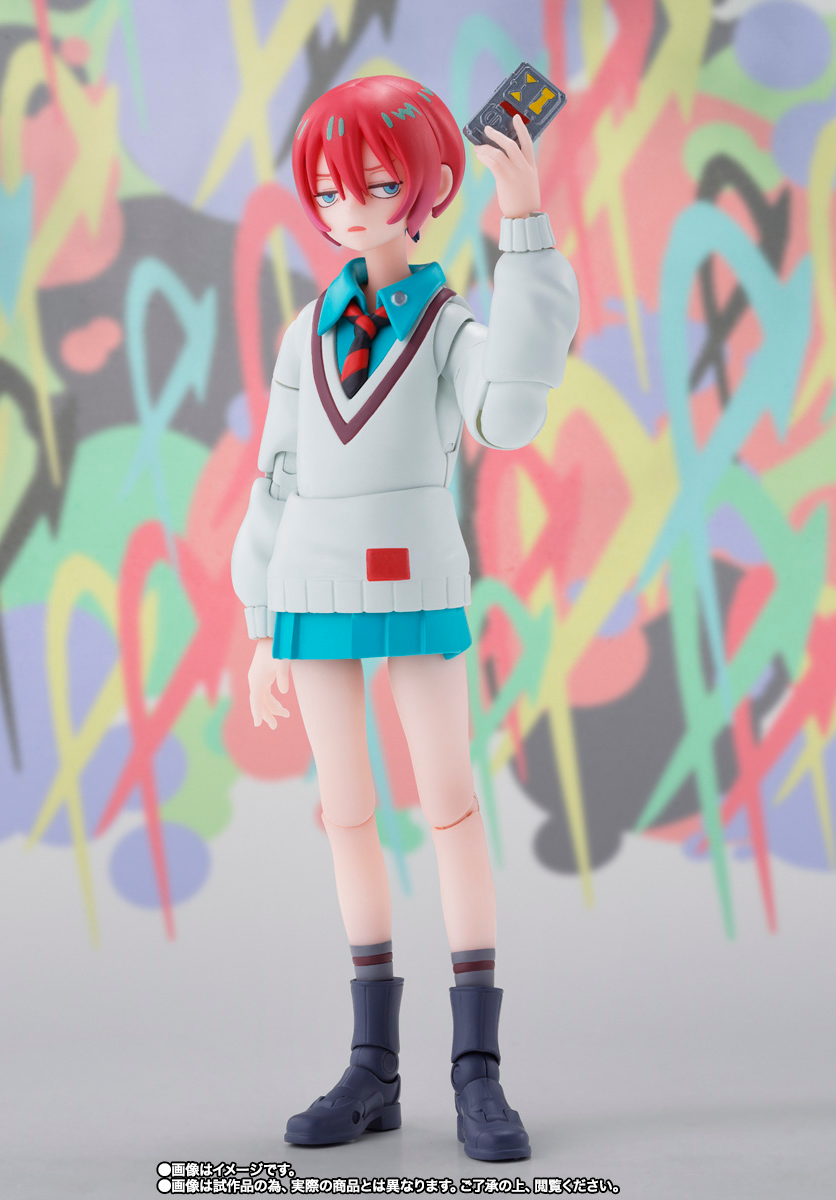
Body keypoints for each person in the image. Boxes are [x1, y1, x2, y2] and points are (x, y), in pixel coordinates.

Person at [231, 74, 579, 1161]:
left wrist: (524, 226)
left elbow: (507, 413)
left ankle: (476, 1067)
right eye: (330, 190)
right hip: (310, 587)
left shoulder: (446, 321)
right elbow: (275, 474)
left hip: (418, 581)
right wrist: (259, 619)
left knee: (450, 806)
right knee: (345, 814)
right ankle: (372, 1065)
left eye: (376, 185)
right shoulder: (306, 331)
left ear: (425, 190)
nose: (349, 208)